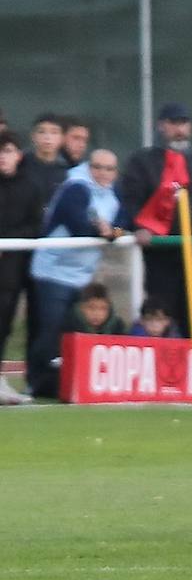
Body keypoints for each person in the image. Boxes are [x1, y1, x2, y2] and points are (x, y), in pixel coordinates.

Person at [26, 151, 130, 397]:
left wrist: (114, 230)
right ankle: (37, 381)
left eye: (109, 169)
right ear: (88, 167)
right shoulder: (75, 187)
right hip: (54, 270)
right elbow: (78, 225)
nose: (103, 173)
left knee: (74, 329)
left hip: (82, 274)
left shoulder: (114, 192)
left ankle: (64, 381)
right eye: (98, 167)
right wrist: (104, 232)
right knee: (50, 329)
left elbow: (124, 219)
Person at [120, 101, 192, 339]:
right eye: (173, 123)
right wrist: (138, 227)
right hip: (161, 259)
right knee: (160, 324)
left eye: (183, 123)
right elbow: (131, 199)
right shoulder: (143, 162)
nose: (179, 129)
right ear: (161, 126)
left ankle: (191, 375)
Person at [0, 129, 44, 403]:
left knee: (4, 323)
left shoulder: (31, 186)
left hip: (11, 273)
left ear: (18, 155)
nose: (2, 157)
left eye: (7, 151)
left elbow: (35, 226)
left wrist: (8, 243)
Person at [18, 113, 69, 205]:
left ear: (62, 138)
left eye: (54, 132)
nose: (47, 137)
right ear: (33, 136)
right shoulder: (20, 162)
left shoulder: (66, 170)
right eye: (41, 132)